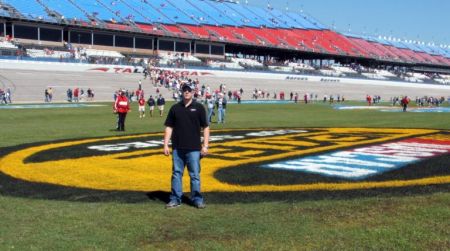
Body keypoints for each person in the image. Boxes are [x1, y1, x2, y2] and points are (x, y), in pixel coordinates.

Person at [163, 83, 210, 209]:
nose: (187, 92)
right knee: (176, 174)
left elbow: (205, 127)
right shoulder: (175, 108)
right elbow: (169, 127)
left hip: (194, 148)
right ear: (181, 92)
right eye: (184, 90)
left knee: (194, 175)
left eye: (189, 90)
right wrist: (166, 144)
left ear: (193, 92)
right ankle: (175, 199)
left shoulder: (199, 107)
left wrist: (205, 146)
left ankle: (197, 200)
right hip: (177, 148)